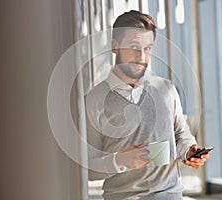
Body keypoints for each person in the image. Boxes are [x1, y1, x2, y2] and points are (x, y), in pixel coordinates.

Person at [85, 10, 210, 200]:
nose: (142, 57)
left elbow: (180, 133)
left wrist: (189, 150)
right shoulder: (94, 100)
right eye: (134, 46)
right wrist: (119, 161)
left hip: (170, 195)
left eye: (148, 48)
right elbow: (86, 168)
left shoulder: (166, 89)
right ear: (114, 47)